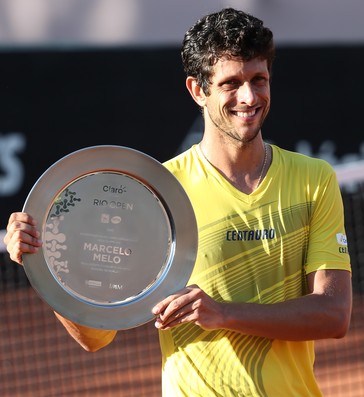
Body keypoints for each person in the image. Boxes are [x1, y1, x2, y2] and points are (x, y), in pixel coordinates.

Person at [4, 7, 352, 397]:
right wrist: (45, 266)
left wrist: (221, 313)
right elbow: (95, 337)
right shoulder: (157, 194)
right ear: (198, 90)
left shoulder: (314, 179)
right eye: (231, 83)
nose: (249, 97)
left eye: (259, 79)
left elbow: (333, 315)